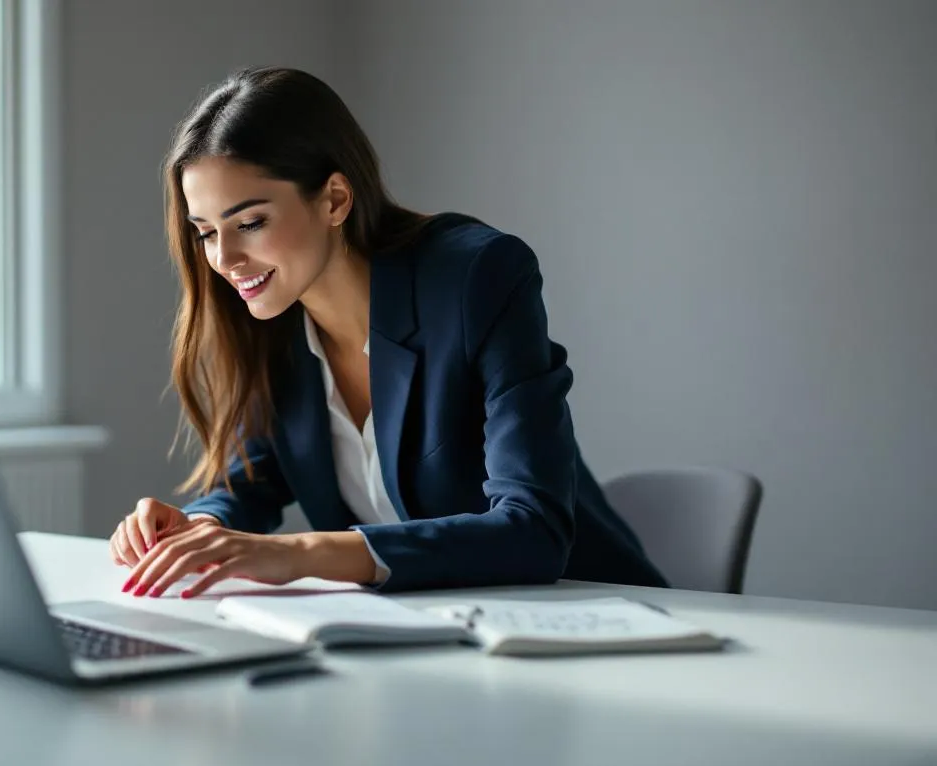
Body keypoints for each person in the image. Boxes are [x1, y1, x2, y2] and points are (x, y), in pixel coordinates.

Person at [110, 66, 667, 599]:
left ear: (334, 199)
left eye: (250, 223)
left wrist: (298, 553)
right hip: (430, 639)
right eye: (205, 232)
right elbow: (251, 483)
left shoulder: (476, 278)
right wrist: (195, 530)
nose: (225, 258)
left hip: (594, 620)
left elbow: (533, 531)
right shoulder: (273, 321)